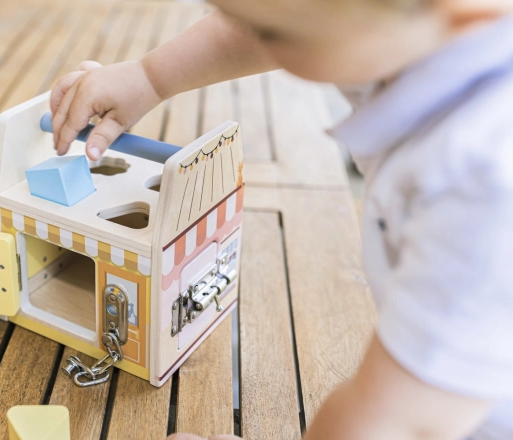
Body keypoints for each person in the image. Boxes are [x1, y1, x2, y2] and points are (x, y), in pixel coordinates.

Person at [48, 0, 513, 438]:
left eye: (273, 33)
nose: (257, 36)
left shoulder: (483, 182)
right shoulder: (414, 31)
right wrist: (148, 77)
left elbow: (402, 423)